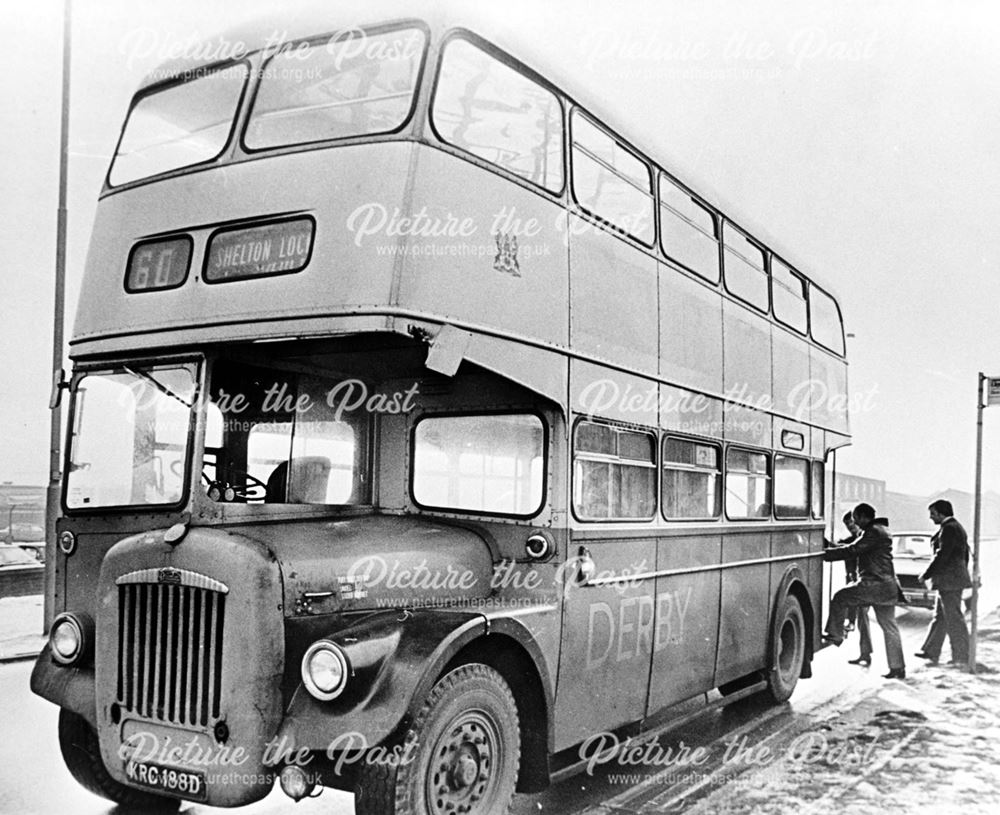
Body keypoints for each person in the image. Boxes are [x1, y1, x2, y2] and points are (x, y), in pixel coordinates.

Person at [822, 503, 906, 679]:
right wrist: (827, 546)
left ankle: (835, 635)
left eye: (855, 518)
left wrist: (824, 554)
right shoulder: (881, 529)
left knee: (840, 597)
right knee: (889, 626)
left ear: (862, 517)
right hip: (887, 586)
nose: (854, 522)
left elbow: (852, 550)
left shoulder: (873, 532)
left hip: (874, 584)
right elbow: (849, 546)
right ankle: (897, 667)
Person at [915, 499, 972, 668]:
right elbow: (964, 556)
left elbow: (942, 555)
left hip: (950, 582)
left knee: (954, 619)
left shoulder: (949, 529)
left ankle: (961, 656)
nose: (931, 518)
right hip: (951, 581)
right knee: (941, 616)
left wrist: (926, 574)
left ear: (941, 513)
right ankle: (931, 650)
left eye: (933, 514)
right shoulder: (954, 527)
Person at [837, 512, 873, 667]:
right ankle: (865, 653)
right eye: (847, 524)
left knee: (863, 619)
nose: (850, 526)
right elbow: (842, 546)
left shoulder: (865, 538)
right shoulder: (851, 540)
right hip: (854, 582)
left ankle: (865, 653)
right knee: (862, 619)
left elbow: (847, 549)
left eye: (852, 523)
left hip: (864, 584)